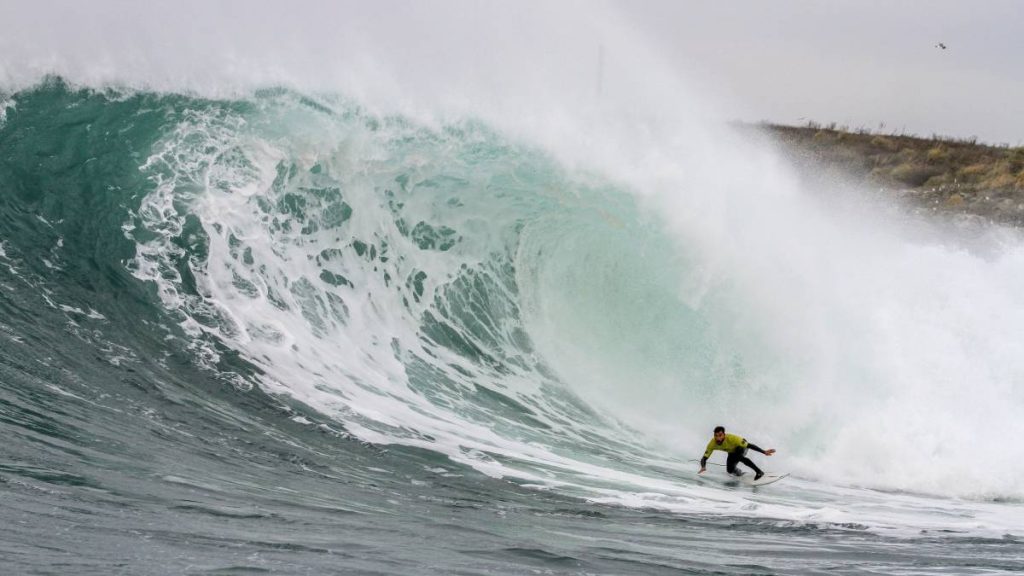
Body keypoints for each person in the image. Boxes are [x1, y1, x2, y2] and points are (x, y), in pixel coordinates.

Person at [698, 426, 776, 480]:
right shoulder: (712, 444)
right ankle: (740, 473)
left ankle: (759, 472)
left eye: (720, 435)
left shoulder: (733, 439)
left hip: (742, 447)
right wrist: (703, 466)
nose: (718, 438)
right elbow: (704, 457)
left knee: (738, 457)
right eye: (716, 435)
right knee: (729, 470)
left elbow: (749, 445)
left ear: (724, 435)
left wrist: (764, 451)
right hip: (731, 452)